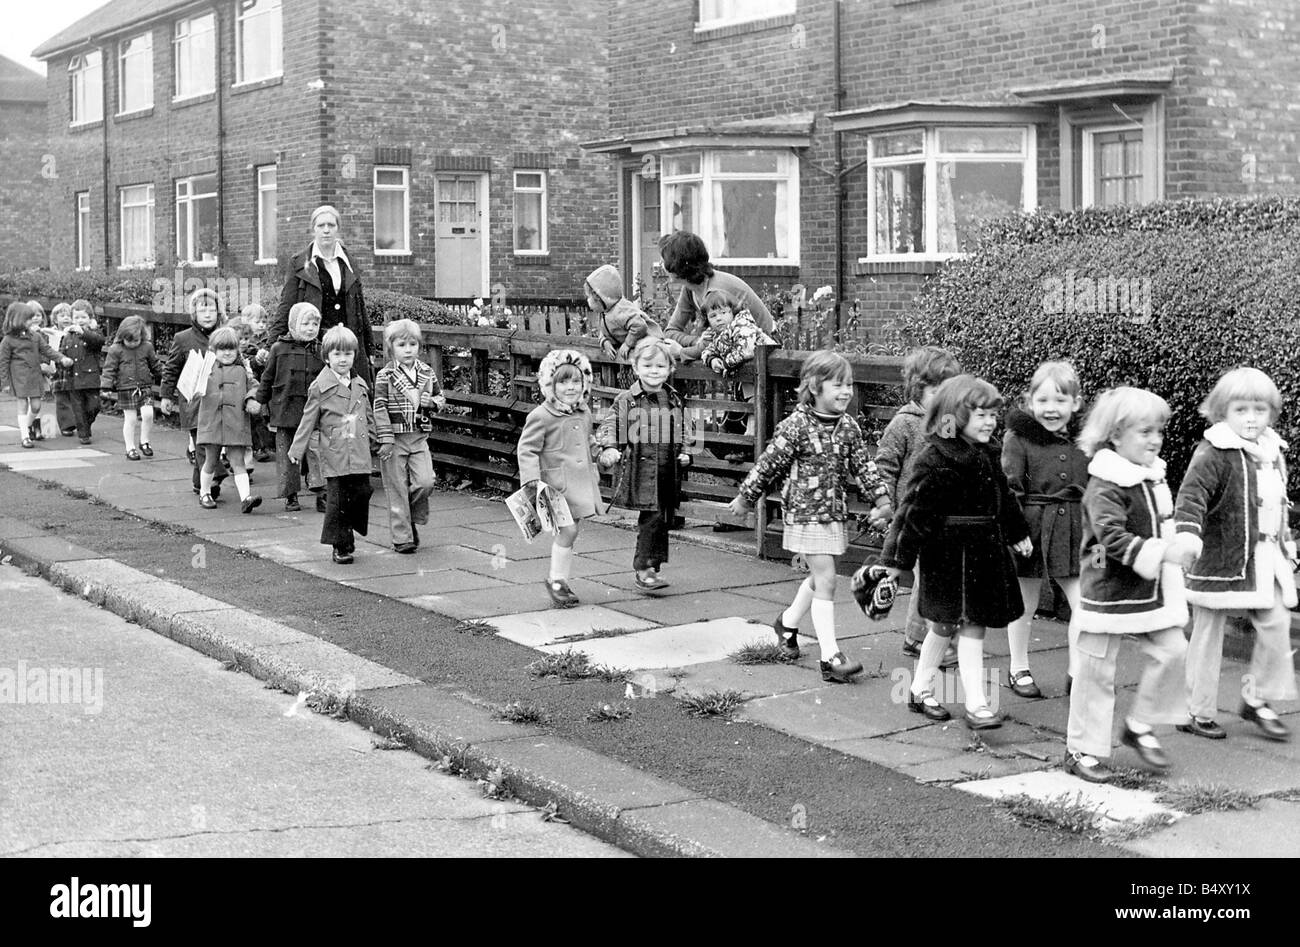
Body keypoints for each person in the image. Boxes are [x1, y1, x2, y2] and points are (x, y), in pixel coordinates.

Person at [728, 351, 892, 682]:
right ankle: (830, 656)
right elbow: (769, 463)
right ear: (815, 386)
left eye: (849, 384)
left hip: (832, 513)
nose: (846, 391)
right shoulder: (796, 426)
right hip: (804, 515)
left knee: (819, 580)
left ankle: (787, 624)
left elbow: (863, 466)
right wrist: (746, 497)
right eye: (838, 385)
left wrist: (882, 498)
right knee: (829, 579)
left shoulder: (848, 427)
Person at [880, 375, 1032, 727]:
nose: (990, 422)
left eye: (993, 415)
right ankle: (977, 705)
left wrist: (1017, 531)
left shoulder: (990, 454)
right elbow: (912, 511)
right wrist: (896, 561)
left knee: (961, 625)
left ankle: (919, 690)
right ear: (954, 415)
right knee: (951, 625)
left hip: (984, 553)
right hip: (946, 556)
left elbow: (1004, 498)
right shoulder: (935, 456)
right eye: (980, 415)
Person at [1064, 387, 1193, 782]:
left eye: (1158, 431)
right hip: (1106, 589)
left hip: (1148, 591)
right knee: (1096, 671)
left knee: (1174, 649)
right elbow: (1111, 538)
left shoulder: (1151, 476)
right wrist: (1163, 553)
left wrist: (1180, 543)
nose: (1155, 440)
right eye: (1144, 432)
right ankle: (1080, 749)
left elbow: (1163, 522)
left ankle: (1139, 724)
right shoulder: (1106, 483)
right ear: (1116, 435)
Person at [1175, 367, 1297, 743]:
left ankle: (1257, 699)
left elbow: (1279, 507)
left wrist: (1289, 546)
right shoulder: (1214, 452)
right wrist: (1188, 536)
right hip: (1221, 559)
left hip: (1265, 559)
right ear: (1222, 411)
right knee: (1208, 634)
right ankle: (1198, 709)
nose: (1251, 418)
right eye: (1241, 410)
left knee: (1276, 623)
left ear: (1271, 414)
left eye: (1259, 410)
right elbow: (1192, 497)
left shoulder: (1273, 452)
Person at [1001, 361, 1089, 699]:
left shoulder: (1087, 438)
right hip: (1032, 528)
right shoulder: (1018, 438)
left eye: (1060, 401)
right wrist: (1015, 532)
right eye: (1043, 401)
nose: (1051, 409)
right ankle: (1018, 667)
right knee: (1025, 601)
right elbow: (1010, 489)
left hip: (1075, 528)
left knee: (1084, 603)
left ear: (1076, 403)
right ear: (1029, 401)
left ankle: (1077, 670)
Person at [874, 346, 962, 670]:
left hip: (944, 516)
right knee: (927, 577)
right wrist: (885, 504)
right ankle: (919, 637)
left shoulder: (949, 423)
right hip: (912, 516)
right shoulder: (904, 424)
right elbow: (884, 465)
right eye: (936, 391)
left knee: (933, 577)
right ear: (918, 388)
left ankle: (921, 634)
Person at [598, 337, 693, 590]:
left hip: (666, 469)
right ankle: (644, 568)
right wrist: (609, 447)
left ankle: (653, 567)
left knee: (662, 518)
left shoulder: (672, 398)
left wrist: (686, 452)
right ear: (636, 367)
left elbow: (683, 428)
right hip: (641, 470)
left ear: (670, 369)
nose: (654, 371)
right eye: (648, 366)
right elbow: (610, 425)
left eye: (660, 367)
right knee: (650, 518)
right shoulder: (627, 400)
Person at [517, 349, 605, 608]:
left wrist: (603, 454)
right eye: (563, 382)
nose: (570, 387)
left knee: (571, 530)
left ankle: (559, 581)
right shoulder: (541, 416)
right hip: (553, 487)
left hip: (579, 485)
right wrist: (531, 482)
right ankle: (557, 581)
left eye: (576, 381)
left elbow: (587, 441)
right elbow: (527, 449)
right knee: (569, 530)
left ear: (585, 383)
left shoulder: (584, 413)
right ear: (549, 384)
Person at [288, 326, 376, 564]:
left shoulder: (360, 385)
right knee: (338, 501)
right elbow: (308, 420)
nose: (342, 359)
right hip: (335, 452)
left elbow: (368, 417)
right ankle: (341, 544)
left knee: (361, 492)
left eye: (347, 354)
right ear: (326, 357)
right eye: (337, 354)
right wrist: (297, 449)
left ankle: (348, 532)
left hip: (358, 451)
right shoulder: (320, 386)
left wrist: (379, 440)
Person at [272, 204, 373, 388]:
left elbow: (360, 307)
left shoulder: (349, 262)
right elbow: (286, 306)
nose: (326, 230)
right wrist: (272, 345)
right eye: (321, 226)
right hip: (315, 348)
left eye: (331, 225)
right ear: (314, 229)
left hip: (346, 347)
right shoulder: (299, 263)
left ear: (337, 228)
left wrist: (370, 346)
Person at [374, 319, 445, 554]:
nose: (408, 349)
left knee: (425, 482)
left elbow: (441, 398)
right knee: (396, 488)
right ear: (391, 347)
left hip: (419, 436)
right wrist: (384, 438)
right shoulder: (385, 375)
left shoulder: (427, 372)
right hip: (394, 439)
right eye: (402, 344)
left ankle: (411, 518)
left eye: (412, 344)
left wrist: (432, 403)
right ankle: (402, 537)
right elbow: (379, 407)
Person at [251, 302, 325, 513]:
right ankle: (290, 495)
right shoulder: (278, 348)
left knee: (316, 451)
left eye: (315, 324)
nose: (311, 328)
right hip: (285, 409)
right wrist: (260, 399)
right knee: (286, 454)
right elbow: (267, 377)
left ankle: (321, 491)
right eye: (306, 323)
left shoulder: (320, 349)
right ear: (293, 324)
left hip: (312, 412)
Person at [659, 231, 775, 358]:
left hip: (766, 354)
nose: (662, 264)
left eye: (665, 259)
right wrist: (697, 341)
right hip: (742, 354)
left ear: (678, 265)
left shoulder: (716, 292)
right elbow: (671, 331)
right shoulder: (690, 288)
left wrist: (681, 352)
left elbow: (719, 343)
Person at [162, 289, 228, 496]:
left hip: (219, 400)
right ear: (194, 313)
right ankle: (215, 477)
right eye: (202, 310)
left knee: (212, 442)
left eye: (212, 310)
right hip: (193, 400)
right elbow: (171, 368)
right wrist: (165, 395)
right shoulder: (183, 339)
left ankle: (200, 482)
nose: (208, 315)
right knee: (202, 442)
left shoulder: (225, 336)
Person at [1, 301, 71, 448]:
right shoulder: (8, 341)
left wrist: (61, 358)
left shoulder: (35, 337)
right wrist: (5, 383)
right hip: (19, 378)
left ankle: (26, 426)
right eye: (27, 319)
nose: (31, 321)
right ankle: (25, 436)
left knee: (36, 406)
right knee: (22, 404)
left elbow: (47, 350)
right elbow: (3, 363)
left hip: (34, 376)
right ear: (16, 320)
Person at [99, 315, 161, 461]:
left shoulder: (147, 347)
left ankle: (144, 441)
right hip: (126, 387)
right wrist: (106, 386)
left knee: (148, 414)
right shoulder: (116, 349)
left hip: (144, 386)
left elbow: (155, 364)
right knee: (131, 419)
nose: (133, 344)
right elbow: (109, 369)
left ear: (142, 336)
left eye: (136, 340)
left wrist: (166, 375)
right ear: (122, 336)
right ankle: (130, 447)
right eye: (129, 340)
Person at [585, 263, 666, 361]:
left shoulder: (621, 310)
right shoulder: (606, 312)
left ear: (598, 296)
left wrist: (628, 343)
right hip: (639, 353)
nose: (588, 300)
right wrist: (604, 341)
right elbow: (603, 330)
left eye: (589, 296)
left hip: (653, 348)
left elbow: (640, 326)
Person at [53, 302, 105, 445]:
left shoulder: (94, 333)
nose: (79, 321)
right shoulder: (67, 336)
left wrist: (84, 332)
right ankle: (84, 434)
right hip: (73, 378)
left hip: (90, 377)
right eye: (76, 317)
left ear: (90, 318)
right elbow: (61, 353)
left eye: (83, 317)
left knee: (94, 405)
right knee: (78, 408)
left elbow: (99, 341)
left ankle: (85, 424)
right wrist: (63, 360)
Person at [696, 288, 776, 378]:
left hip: (772, 363)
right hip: (754, 372)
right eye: (713, 315)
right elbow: (708, 351)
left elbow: (746, 349)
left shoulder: (741, 325)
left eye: (723, 312)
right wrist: (712, 360)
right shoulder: (718, 336)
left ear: (732, 312)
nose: (718, 318)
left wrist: (726, 363)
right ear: (707, 320)